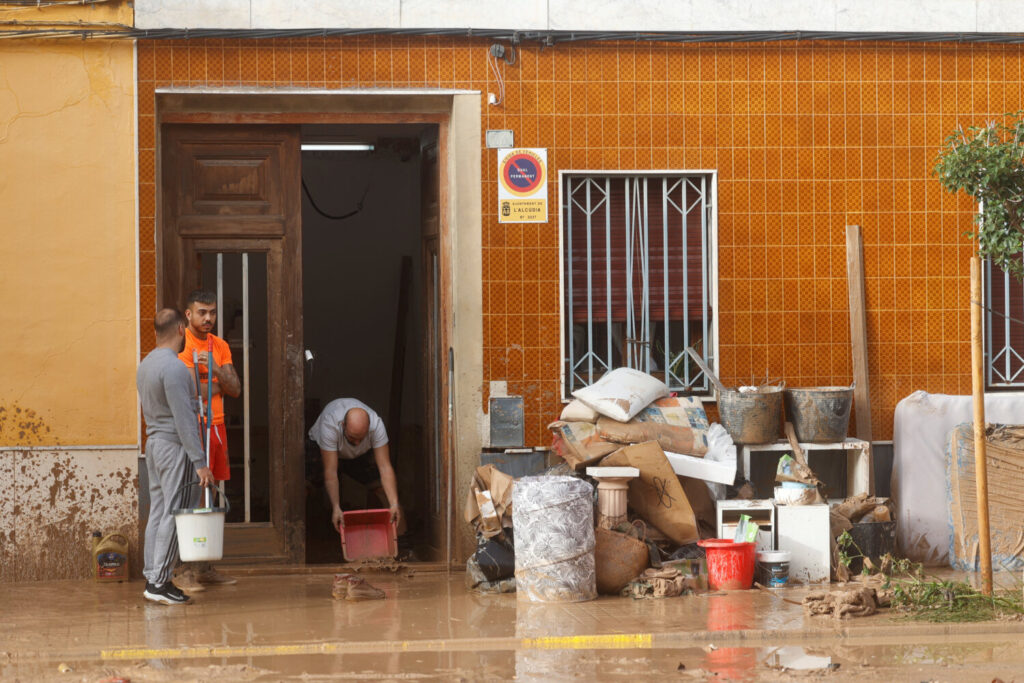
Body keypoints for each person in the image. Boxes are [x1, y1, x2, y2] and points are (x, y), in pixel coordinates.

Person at [137, 308, 214, 605]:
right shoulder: (175, 368)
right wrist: (200, 463)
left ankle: (152, 577)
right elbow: (184, 419)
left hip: (154, 444)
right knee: (174, 511)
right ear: (182, 330)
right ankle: (159, 582)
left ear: (156, 331)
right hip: (173, 446)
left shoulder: (145, 365)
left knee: (158, 511)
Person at [175, 289, 241, 591]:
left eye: (212, 312)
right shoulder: (182, 344)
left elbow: (236, 389)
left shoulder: (220, 345)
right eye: (202, 312)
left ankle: (204, 566)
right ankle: (182, 569)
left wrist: (213, 369)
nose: (208, 318)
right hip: (193, 428)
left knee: (210, 493)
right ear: (188, 314)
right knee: (189, 495)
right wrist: (218, 385)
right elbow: (191, 393)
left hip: (216, 426)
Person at [309, 398, 402, 533]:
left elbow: (385, 467)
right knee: (303, 486)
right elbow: (331, 472)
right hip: (320, 449)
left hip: (359, 456)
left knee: (382, 489)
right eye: (353, 437)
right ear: (342, 425)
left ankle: (400, 537)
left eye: (361, 438)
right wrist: (336, 507)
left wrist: (394, 503)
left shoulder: (376, 425)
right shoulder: (329, 425)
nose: (357, 443)